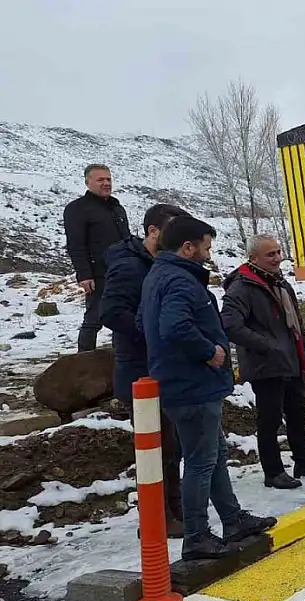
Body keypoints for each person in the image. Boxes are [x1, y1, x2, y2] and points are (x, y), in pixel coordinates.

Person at [139, 215, 276, 560]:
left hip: (183, 381)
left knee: (212, 456)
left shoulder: (159, 275)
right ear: (188, 247)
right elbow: (174, 326)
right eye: (206, 246)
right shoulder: (180, 281)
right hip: (191, 385)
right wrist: (209, 351)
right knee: (201, 462)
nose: (207, 253)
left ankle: (232, 520)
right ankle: (197, 535)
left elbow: (144, 322)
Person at [221, 234, 305, 489]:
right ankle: (273, 472)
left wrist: (303, 357)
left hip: (290, 360)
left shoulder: (280, 283)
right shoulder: (242, 287)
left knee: (297, 412)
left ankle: (303, 461)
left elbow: (295, 325)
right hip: (266, 365)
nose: (277, 258)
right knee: (270, 420)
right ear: (253, 258)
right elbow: (230, 325)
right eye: (270, 254)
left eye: (278, 252)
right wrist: (266, 346)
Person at [100, 203, 188, 538]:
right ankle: (157, 518)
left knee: (172, 445)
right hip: (140, 373)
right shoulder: (128, 266)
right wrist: (152, 329)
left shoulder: (159, 263)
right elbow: (111, 313)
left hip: (162, 367)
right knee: (157, 447)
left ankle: (176, 510)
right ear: (153, 232)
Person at [64, 164, 130, 352]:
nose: (106, 183)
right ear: (88, 182)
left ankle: (122, 357)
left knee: (123, 318)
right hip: (98, 274)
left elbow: (126, 240)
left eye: (108, 179)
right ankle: (83, 362)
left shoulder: (117, 208)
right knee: (93, 319)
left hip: (123, 273)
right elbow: (76, 245)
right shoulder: (78, 209)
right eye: (100, 180)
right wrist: (84, 274)